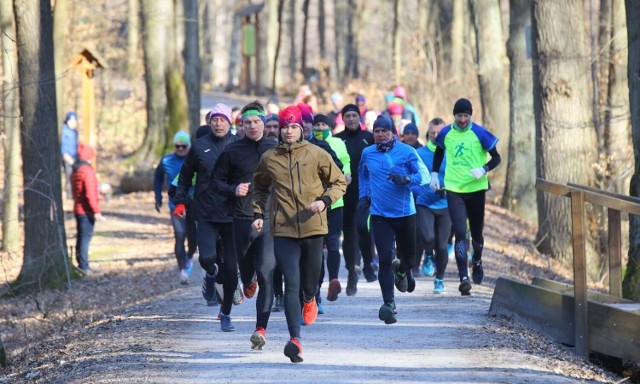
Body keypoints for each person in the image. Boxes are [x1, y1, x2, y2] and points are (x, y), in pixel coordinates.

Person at [252, 105, 346, 363]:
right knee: (290, 284)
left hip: (314, 227)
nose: (290, 131)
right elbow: (258, 188)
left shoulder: (317, 154)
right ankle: (295, 340)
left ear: (301, 128)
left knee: (308, 284)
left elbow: (339, 182)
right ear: (280, 129)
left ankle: (310, 298)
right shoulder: (270, 158)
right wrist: (259, 214)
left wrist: (324, 201)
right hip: (283, 229)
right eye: (285, 127)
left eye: (294, 127)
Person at [212, 101, 277, 350]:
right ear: (241, 125)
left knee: (266, 274)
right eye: (247, 122)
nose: (251, 126)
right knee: (249, 274)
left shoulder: (276, 148)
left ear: (264, 123)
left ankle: (260, 329)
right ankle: (248, 281)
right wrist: (233, 189)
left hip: (270, 220)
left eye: (256, 122)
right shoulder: (232, 151)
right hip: (241, 220)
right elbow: (215, 182)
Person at [174, 103, 241, 331]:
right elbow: (185, 176)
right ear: (210, 122)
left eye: (223, 119)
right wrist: (180, 201)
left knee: (231, 269)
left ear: (229, 122)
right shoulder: (199, 146)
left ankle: (225, 314)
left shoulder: (238, 145)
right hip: (206, 212)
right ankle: (212, 273)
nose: (218, 123)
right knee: (206, 259)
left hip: (233, 213)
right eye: (215, 119)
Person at [359, 115, 430, 324]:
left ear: (393, 133)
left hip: (405, 214)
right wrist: (364, 195)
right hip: (380, 215)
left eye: (384, 131)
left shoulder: (407, 152)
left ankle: (403, 270)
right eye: (377, 131)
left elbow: (424, 177)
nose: (380, 135)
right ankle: (388, 304)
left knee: (409, 259)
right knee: (384, 259)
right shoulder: (367, 153)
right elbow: (363, 175)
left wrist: (407, 179)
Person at [430, 98, 501, 296]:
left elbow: (497, 157)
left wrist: (484, 168)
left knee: (477, 236)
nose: (462, 119)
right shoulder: (445, 133)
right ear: (454, 115)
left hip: (476, 189)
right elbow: (438, 153)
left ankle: (476, 260)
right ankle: (463, 278)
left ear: (471, 115)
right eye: (459, 115)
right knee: (460, 232)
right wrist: (435, 174)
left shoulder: (479, 133)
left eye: (466, 115)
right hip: (454, 189)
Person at [334, 104, 376, 296]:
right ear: (343, 119)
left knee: (364, 228)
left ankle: (368, 263)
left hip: (366, 193)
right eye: (348, 116)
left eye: (354, 115)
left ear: (360, 118)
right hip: (344, 195)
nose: (351, 119)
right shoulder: (337, 140)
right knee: (349, 236)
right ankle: (352, 272)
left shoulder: (369, 138)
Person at [313, 114, 351, 303]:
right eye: (316, 124)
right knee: (318, 247)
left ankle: (333, 279)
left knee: (334, 242)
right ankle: (316, 291)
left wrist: (347, 176)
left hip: (335, 203)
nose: (320, 128)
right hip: (314, 205)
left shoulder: (337, 143)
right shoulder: (307, 145)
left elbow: (345, 164)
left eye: (323, 124)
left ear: (330, 126)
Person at [154, 131, 196, 285]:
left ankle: (190, 256)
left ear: (189, 146)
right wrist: (157, 196)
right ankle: (182, 271)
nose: (180, 149)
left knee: (193, 239)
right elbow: (158, 178)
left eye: (183, 146)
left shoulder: (194, 159)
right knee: (179, 234)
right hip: (175, 204)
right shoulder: (166, 160)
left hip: (193, 204)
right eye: (177, 146)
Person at [415, 118, 450, 294]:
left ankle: (439, 279)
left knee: (442, 246)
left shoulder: (451, 153)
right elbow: (413, 176)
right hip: (425, 203)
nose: (436, 136)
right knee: (428, 237)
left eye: (439, 133)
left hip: (446, 204)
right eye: (432, 133)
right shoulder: (420, 153)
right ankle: (428, 255)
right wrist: (419, 189)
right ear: (427, 133)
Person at [71, 143, 106, 275]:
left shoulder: (76, 170)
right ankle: (84, 266)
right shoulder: (87, 171)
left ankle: (82, 264)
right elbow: (90, 193)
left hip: (78, 208)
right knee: (85, 238)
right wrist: (96, 211)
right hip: (86, 211)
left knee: (81, 237)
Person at [61, 111, 79, 200]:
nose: (72, 123)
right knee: (69, 177)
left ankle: (74, 195)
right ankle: (69, 196)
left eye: (74, 120)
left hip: (74, 158)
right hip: (67, 158)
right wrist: (65, 156)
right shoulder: (64, 131)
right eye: (70, 120)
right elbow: (62, 145)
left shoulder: (75, 132)